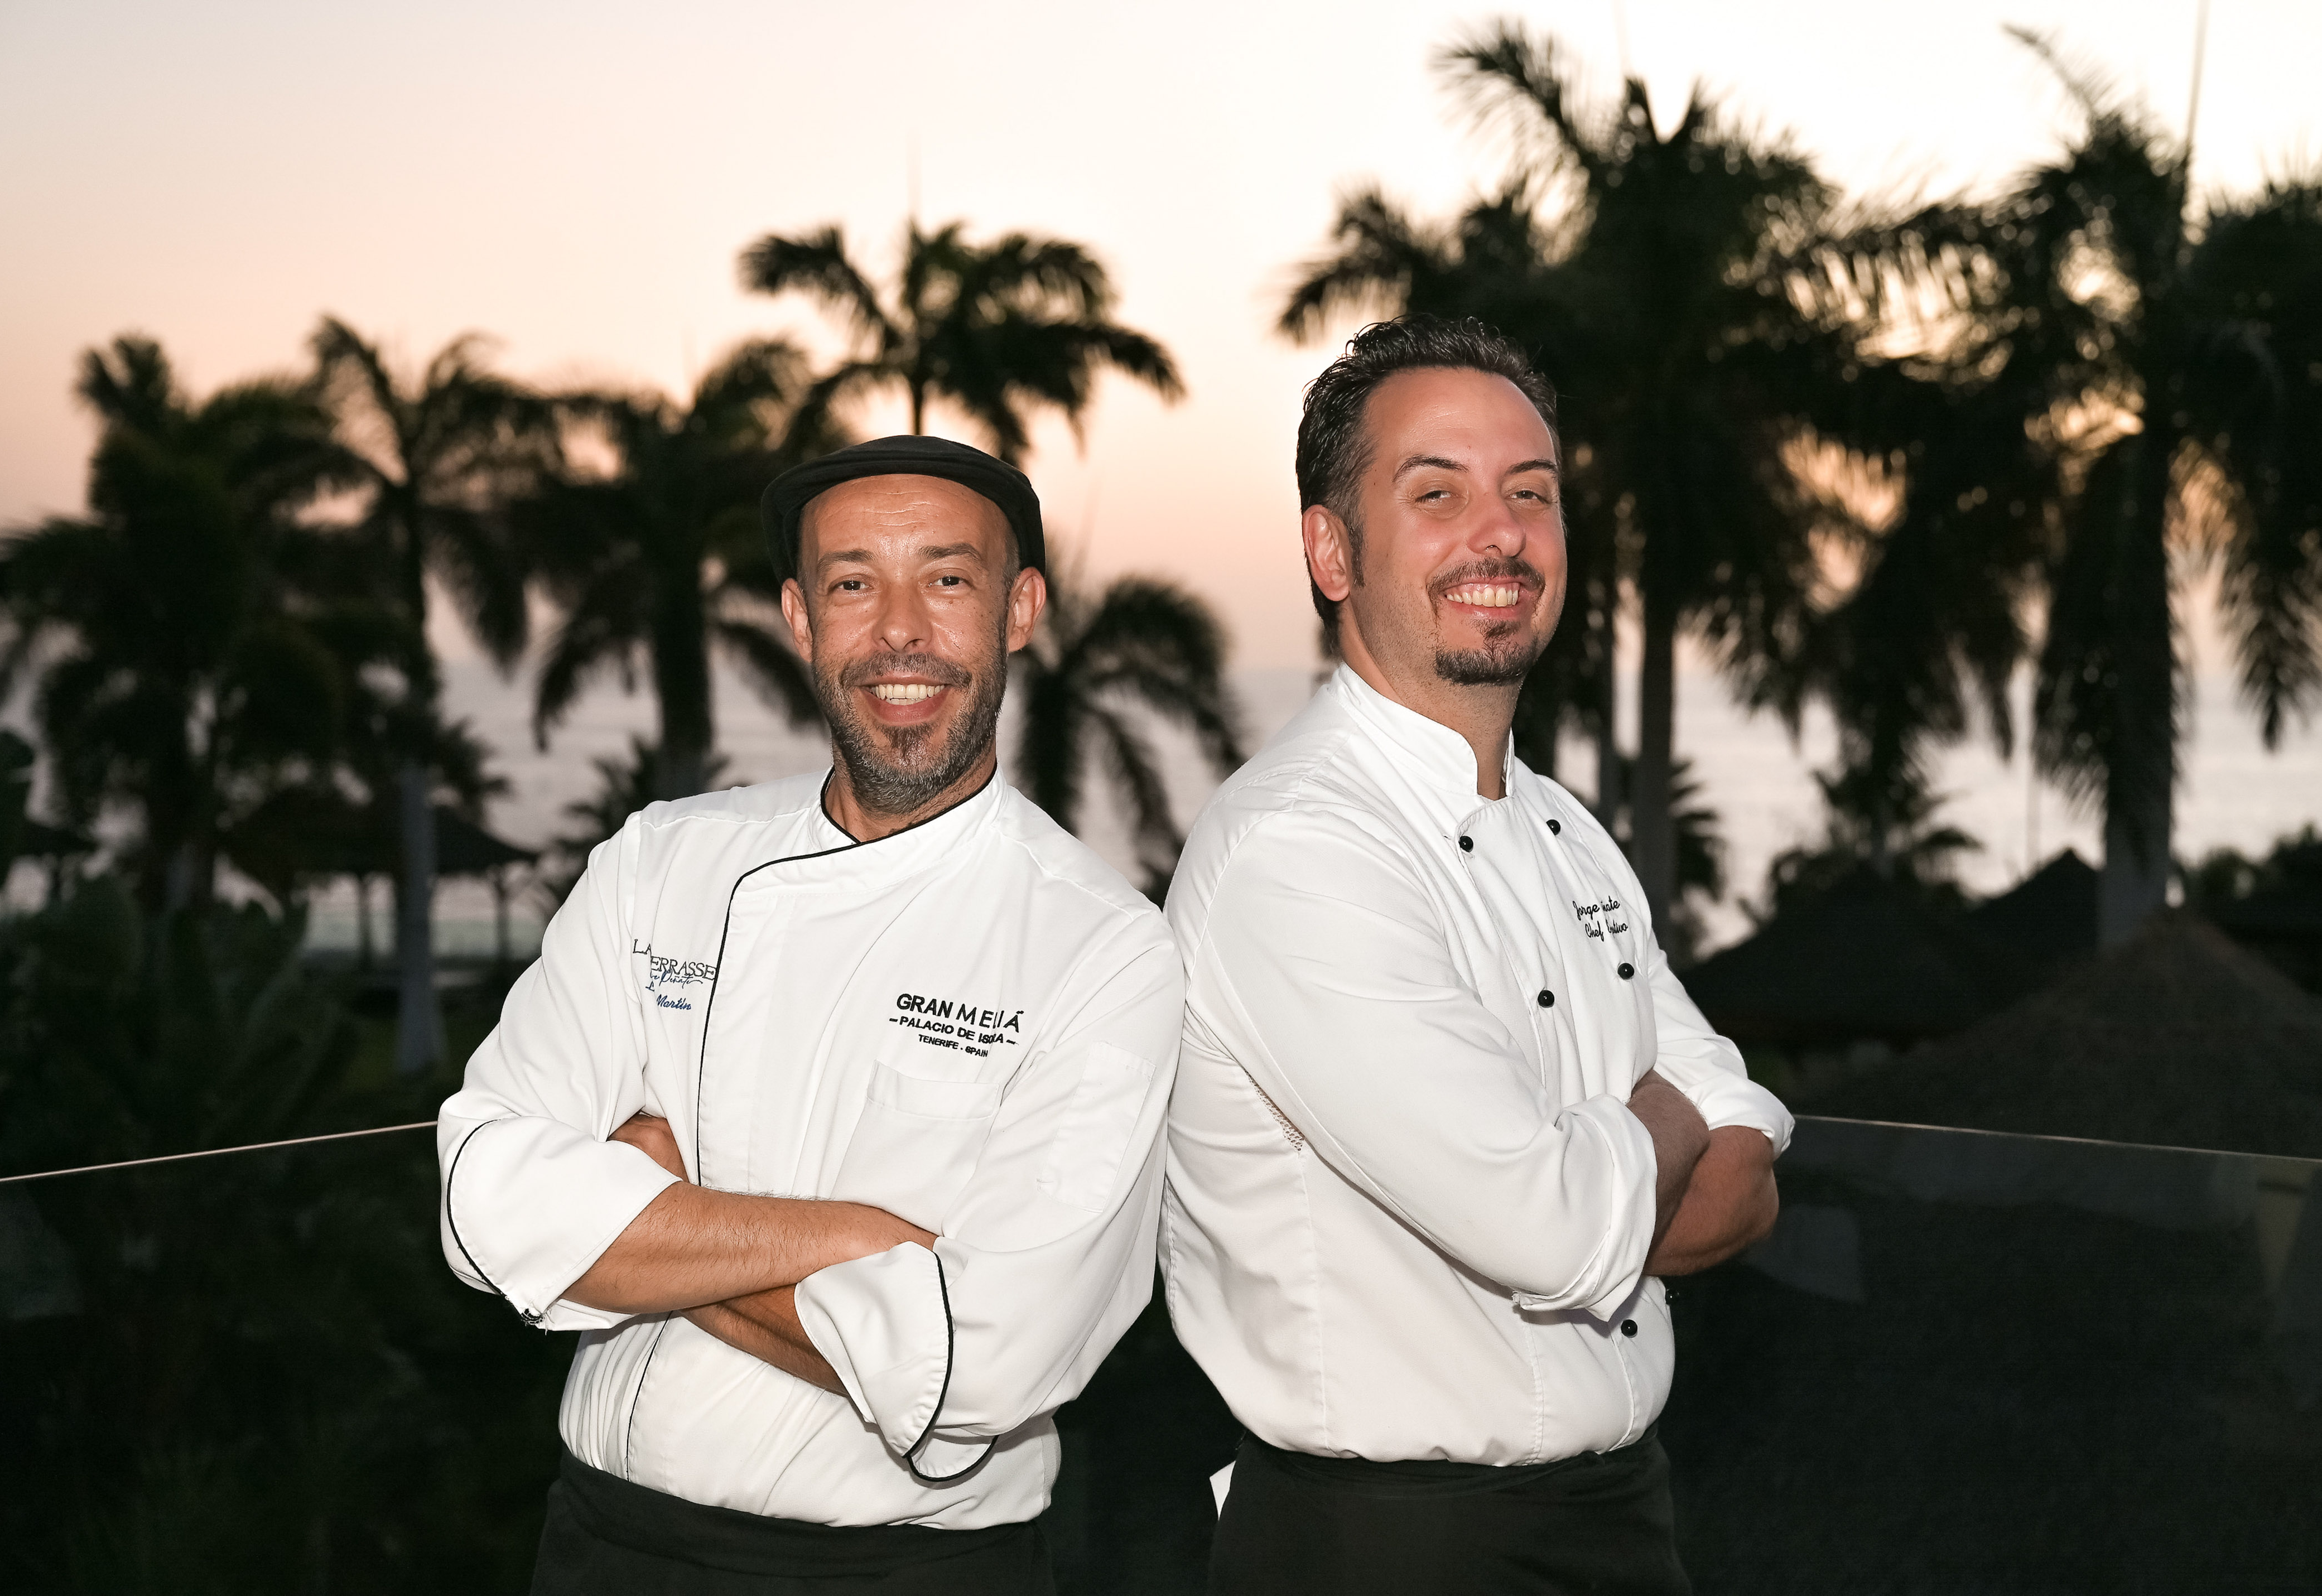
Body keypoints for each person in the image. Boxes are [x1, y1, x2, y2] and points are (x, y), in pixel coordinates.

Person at [437, 435, 1183, 1594]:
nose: (898, 633)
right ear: (797, 617)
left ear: (1019, 609)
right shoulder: (661, 861)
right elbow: (483, 1198)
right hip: (603, 1551)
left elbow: (986, 1365)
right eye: (851, 583)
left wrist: (643, 1219)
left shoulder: (1102, 948)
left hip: (912, 1576)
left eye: (946, 580)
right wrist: (856, 1243)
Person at [1161, 316, 1793, 1594]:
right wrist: (1660, 1127)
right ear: (1329, 550)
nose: (1497, 537)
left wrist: (1615, 1163)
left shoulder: (1566, 834)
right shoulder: (1297, 848)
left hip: (1624, 1520)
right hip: (1386, 1552)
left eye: (1530, 494)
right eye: (1434, 494)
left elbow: (1752, 1184)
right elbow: (1553, 1227)